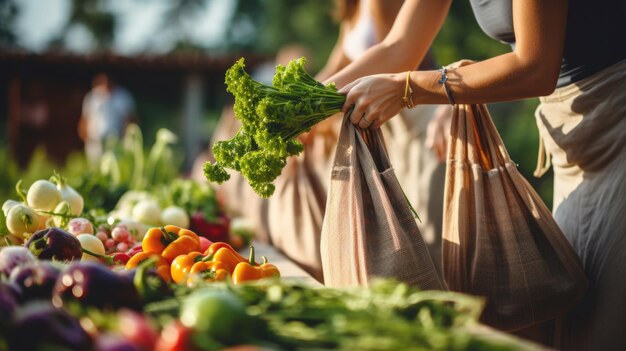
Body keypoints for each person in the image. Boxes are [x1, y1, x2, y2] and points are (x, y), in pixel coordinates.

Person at [326, 0, 626, 350]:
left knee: (604, 328)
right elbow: (399, 47)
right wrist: (307, 107)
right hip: (571, 143)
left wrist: (411, 88)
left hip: (616, 123)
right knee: (574, 317)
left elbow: (535, 67)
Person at [316, 0, 449, 275]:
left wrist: (312, 106)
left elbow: (395, 57)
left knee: (432, 232)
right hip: (389, 121)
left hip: (420, 115)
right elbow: (338, 64)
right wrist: (298, 103)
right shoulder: (352, 8)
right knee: (408, 229)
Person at [78, 73, 136, 165]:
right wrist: (86, 138)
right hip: (95, 142)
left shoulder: (123, 97)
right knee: (95, 167)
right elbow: (84, 120)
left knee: (114, 167)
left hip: (115, 142)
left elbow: (130, 120)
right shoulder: (91, 97)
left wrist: (126, 140)